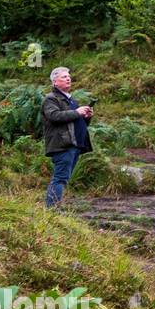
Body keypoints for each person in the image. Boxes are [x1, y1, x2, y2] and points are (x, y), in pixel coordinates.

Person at [42, 67, 94, 208]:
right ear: (55, 82)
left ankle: (54, 208)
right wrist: (77, 112)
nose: (68, 78)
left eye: (69, 76)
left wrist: (86, 117)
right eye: (64, 76)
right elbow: (54, 116)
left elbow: (77, 122)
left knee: (63, 179)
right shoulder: (51, 99)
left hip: (75, 144)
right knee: (60, 178)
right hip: (62, 144)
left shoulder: (71, 100)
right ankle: (52, 210)